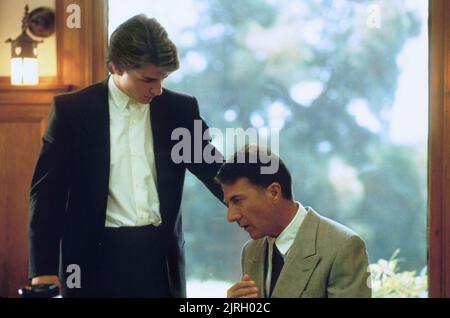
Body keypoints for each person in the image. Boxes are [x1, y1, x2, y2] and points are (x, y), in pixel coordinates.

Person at [28, 15, 223, 297]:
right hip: (89, 262)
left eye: (163, 79)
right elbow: (46, 194)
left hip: (159, 262)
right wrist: (42, 269)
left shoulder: (180, 110)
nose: (157, 89)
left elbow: (214, 171)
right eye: (147, 80)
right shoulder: (71, 112)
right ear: (116, 66)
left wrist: (265, 207)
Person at [215, 145, 371, 298]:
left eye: (237, 200)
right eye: (228, 204)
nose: (231, 216)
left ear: (274, 192)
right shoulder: (251, 251)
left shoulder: (343, 247)